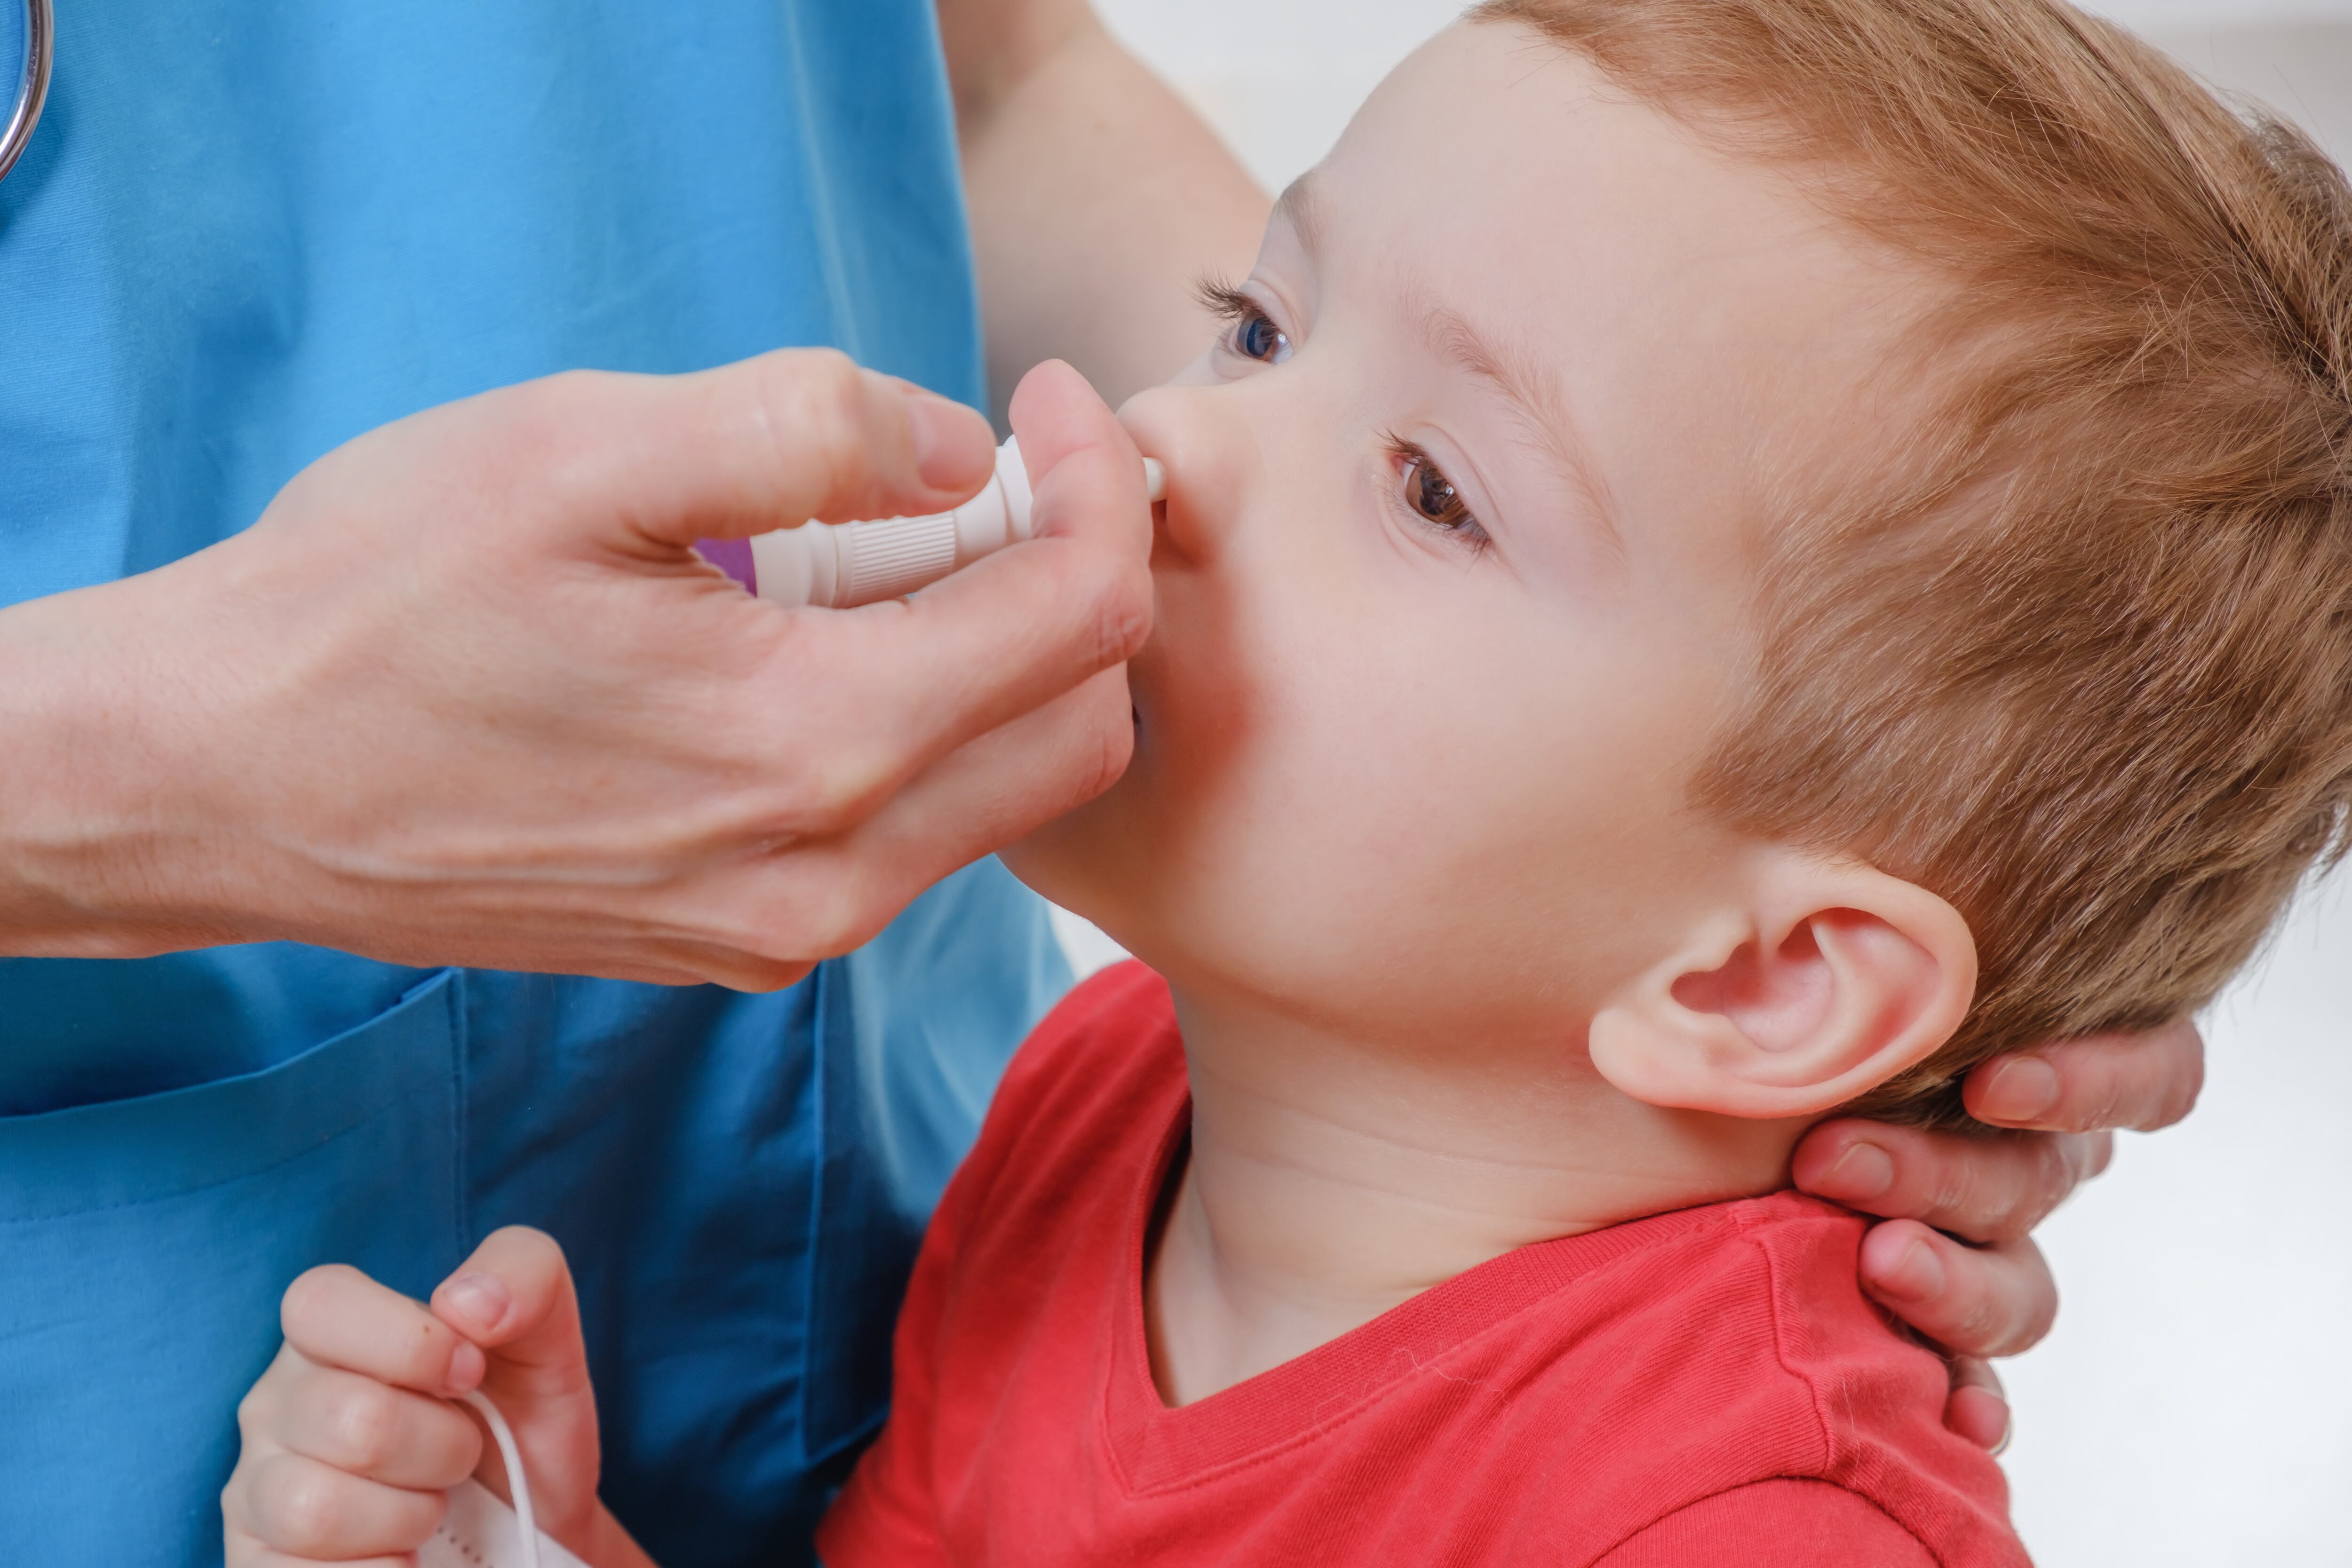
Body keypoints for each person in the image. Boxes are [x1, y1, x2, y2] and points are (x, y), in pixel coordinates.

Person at [0, 2, 2201, 1564]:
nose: (1152, 437)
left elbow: (994, 68)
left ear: (1768, 983)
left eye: (1428, 486)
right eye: (1252, 322)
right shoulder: (1102, 1125)